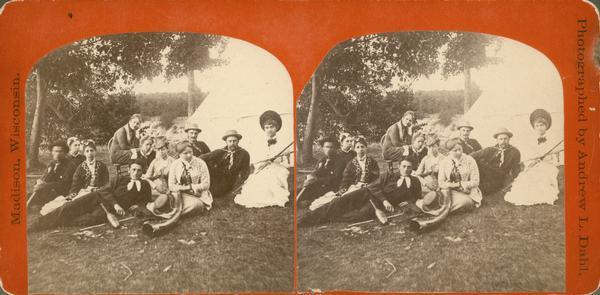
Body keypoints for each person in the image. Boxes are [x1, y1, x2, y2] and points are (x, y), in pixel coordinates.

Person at [29, 161, 153, 231]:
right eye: (134, 170)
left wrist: (136, 206)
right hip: (96, 198)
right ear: (129, 170)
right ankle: (36, 225)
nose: (136, 173)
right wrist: (116, 204)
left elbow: (146, 201)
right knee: (68, 208)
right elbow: (104, 190)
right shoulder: (120, 179)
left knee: (88, 220)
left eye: (139, 170)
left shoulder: (145, 185)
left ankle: (60, 222)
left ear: (142, 172)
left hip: (107, 210)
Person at [298, 159, 421, 227]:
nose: (406, 169)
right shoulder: (389, 175)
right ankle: (306, 220)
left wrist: (405, 203)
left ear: (412, 168)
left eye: (409, 167)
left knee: (359, 216)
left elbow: (416, 197)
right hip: (366, 193)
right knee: (338, 202)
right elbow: (373, 187)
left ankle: (330, 218)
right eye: (404, 166)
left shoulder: (415, 182)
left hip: (378, 205)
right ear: (399, 166)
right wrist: (385, 200)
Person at [234, 110, 292, 208]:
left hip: (276, 167)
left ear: (276, 128)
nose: (269, 130)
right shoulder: (260, 142)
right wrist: (264, 161)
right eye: (267, 127)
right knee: (257, 181)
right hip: (263, 166)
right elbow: (256, 157)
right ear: (264, 129)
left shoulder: (283, 142)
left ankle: (278, 197)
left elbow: (285, 161)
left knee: (272, 179)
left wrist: (281, 157)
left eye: (272, 127)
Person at [504, 109, 562, 205]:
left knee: (541, 177)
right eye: (537, 126)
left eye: (542, 125)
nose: (540, 128)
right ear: (534, 127)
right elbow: (528, 155)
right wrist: (533, 161)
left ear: (546, 126)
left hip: (547, 166)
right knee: (526, 178)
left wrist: (544, 160)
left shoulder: (552, 141)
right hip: (533, 165)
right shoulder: (530, 140)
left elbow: (554, 159)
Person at [307, 136, 380, 211]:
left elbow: (376, 177)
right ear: (354, 149)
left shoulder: (372, 162)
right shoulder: (350, 163)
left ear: (366, 148)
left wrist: (369, 185)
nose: (360, 149)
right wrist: (312, 175)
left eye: (362, 147)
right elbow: (345, 178)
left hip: (366, 187)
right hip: (351, 187)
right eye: (358, 147)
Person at [417, 138, 482, 215]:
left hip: (468, 192)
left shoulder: (470, 160)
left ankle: (438, 210)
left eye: (460, 149)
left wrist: (462, 184)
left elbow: (476, 182)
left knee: (465, 202)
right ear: (449, 152)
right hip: (450, 191)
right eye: (455, 150)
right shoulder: (445, 162)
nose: (458, 152)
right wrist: (453, 185)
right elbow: (441, 182)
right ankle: (441, 208)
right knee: (443, 198)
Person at [297, 137, 347, 206]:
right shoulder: (322, 160)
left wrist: (316, 180)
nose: (329, 149)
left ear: (336, 149)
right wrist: (311, 176)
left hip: (332, 188)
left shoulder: (340, 161)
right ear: (323, 148)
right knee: (296, 192)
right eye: (327, 147)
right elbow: (317, 171)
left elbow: (335, 178)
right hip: (319, 185)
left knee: (315, 195)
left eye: (332, 147)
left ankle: (309, 201)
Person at [471, 128, 521, 195]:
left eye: (505, 139)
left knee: (487, 189)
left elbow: (515, 168)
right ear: (497, 140)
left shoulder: (515, 152)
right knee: (478, 163)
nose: (503, 141)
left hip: (501, 177)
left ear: (509, 139)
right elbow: (473, 155)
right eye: (501, 139)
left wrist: (511, 180)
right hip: (487, 175)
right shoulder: (490, 150)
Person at [201, 130, 251, 198]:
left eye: (234, 141)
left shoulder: (244, 154)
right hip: (219, 179)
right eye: (230, 141)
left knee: (219, 193)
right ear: (226, 142)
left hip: (233, 179)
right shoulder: (220, 151)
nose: (232, 143)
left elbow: (244, 172)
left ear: (238, 141)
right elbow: (203, 157)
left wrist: (238, 185)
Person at [167, 141, 213, 215]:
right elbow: (171, 186)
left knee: (197, 205)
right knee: (173, 199)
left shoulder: (200, 163)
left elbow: (206, 184)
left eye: (190, 152)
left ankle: (173, 213)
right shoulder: (175, 165)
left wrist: (194, 187)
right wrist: (187, 188)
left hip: (198, 194)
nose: (189, 155)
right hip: (180, 193)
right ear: (179, 154)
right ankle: (175, 210)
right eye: (185, 153)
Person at [27, 142, 76, 209]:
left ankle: (40, 204)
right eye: (55, 151)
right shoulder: (52, 163)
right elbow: (46, 176)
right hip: (50, 189)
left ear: (65, 153)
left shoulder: (70, 165)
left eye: (61, 151)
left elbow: (64, 184)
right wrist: (39, 181)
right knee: (27, 196)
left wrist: (45, 185)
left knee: (38, 201)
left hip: (63, 193)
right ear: (52, 152)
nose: (58, 154)